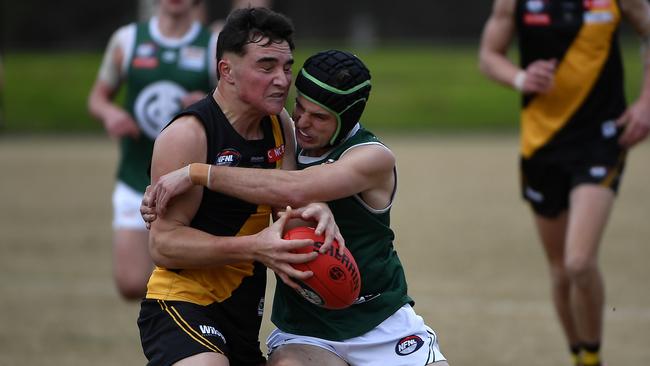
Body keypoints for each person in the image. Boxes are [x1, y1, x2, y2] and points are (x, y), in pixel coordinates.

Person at [141, 50, 449, 365]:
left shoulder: (372, 157)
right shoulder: (282, 139)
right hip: (306, 332)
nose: (302, 122)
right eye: (299, 107)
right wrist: (157, 195)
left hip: (381, 322)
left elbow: (295, 186)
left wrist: (196, 172)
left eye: (319, 117)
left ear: (348, 118)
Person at [136, 7, 343, 366]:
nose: (282, 79)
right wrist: (255, 247)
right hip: (181, 304)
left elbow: (285, 206)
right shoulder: (189, 134)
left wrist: (314, 210)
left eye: (287, 67)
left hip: (243, 314)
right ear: (226, 70)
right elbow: (164, 244)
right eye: (266, 67)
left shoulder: (279, 124)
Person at [478, 1, 650, 365]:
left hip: (602, 140)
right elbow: (489, 56)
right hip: (541, 146)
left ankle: (592, 357)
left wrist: (647, 103)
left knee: (579, 262)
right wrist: (522, 78)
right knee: (559, 270)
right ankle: (583, 357)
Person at [87, 0, 218, 300]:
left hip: (189, 183)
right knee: (132, 283)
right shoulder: (127, 40)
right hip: (136, 177)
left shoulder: (212, 45)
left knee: (188, 285)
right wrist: (111, 114)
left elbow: (231, 105)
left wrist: (206, 101)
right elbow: (97, 98)